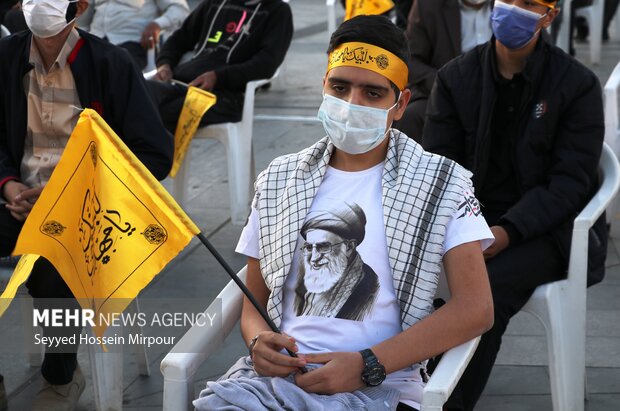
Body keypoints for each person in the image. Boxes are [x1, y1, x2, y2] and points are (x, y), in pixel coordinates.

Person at [193, 15, 495, 411]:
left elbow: (476, 308)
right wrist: (257, 341)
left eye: (372, 93)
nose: (352, 105)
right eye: (340, 87)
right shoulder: (279, 179)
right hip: (273, 383)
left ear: (400, 103)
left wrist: (367, 364)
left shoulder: (442, 183)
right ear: (323, 86)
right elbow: (255, 296)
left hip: (384, 384)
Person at [422, 0, 607, 409]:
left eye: (528, 3)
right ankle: (401, 385)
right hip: (468, 222)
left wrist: (506, 232)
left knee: (486, 290)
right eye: (507, 0)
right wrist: (466, 229)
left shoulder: (575, 85)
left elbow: (570, 184)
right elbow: (438, 167)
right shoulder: (457, 77)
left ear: (549, 15)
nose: (512, 10)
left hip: (545, 231)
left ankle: (442, 400)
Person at [0, 0, 173, 409]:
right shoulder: (6, 56)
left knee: (54, 258)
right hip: (18, 201)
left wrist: (68, 190)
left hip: (86, 207)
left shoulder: (110, 63)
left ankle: (61, 376)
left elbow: (154, 154)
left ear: (80, 7)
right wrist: (8, 186)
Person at [147, 0, 293, 133]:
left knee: (164, 113)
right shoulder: (214, 3)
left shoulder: (278, 11)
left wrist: (218, 77)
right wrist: (164, 65)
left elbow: (266, 64)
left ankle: (151, 161)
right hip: (182, 83)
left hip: (226, 95)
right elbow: (179, 39)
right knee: (138, 95)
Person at [393, 0, 492, 141]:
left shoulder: (511, 6)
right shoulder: (427, 5)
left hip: (498, 91)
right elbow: (411, 60)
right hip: (444, 93)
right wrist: (447, 84)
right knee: (411, 116)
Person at [295, 204, 380, 321]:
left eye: (323, 247)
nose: (314, 258)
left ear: (349, 247)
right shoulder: (304, 284)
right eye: (309, 247)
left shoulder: (372, 289)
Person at [77, 0, 190, 70]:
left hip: (132, 42)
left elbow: (180, 10)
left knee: (112, 71)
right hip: (96, 39)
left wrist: (157, 24)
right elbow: (83, 19)